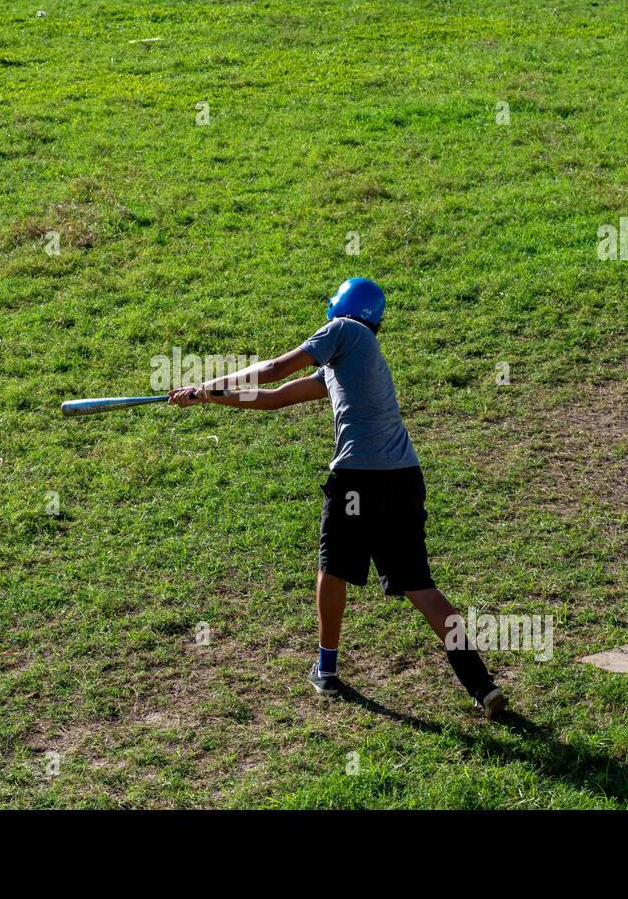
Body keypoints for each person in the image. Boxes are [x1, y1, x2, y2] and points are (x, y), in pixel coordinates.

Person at [167, 277, 508, 720]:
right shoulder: (350, 361)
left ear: (339, 308)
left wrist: (208, 383)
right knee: (420, 587)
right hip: (402, 478)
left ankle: (326, 670)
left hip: (357, 481)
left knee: (333, 570)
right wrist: (213, 398)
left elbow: (274, 369)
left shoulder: (344, 331)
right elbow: (274, 398)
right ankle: (482, 686)